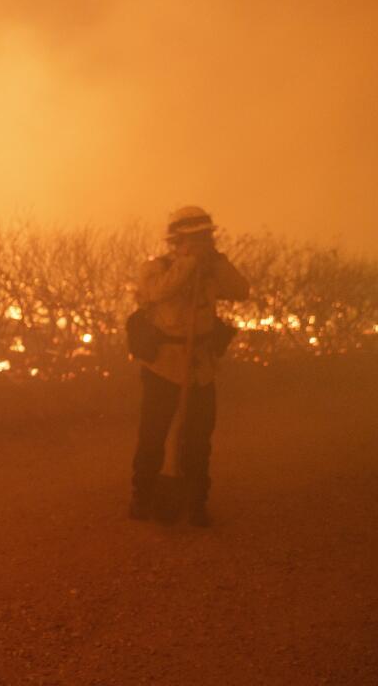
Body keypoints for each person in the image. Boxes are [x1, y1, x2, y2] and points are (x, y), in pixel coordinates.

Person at [129, 205, 250, 527]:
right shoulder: (155, 269)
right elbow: (156, 293)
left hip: (200, 369)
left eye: (205, 238)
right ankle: (143, 496)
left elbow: (241, 291)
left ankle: (196, 503)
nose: (201, 244)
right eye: (193, 239)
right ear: (176, 241)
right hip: (163, 368)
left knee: (198, 439)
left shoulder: (212, 270)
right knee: (153, 436)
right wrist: (187, 265)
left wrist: (216, 262)